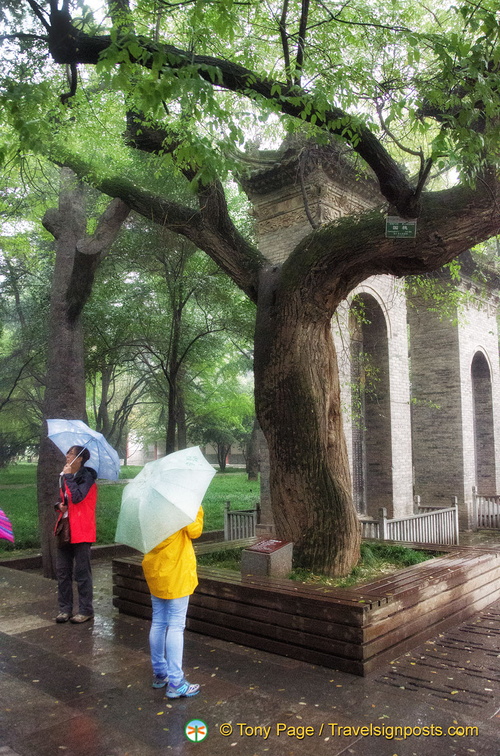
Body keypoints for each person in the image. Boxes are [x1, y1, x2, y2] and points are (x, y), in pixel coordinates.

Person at [142, 506, 204, 698]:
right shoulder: (183, 503)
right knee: (176, 625)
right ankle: (176, 681)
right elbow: (195, 531)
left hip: (155, 569)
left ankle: (160, 674)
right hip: (176, 571)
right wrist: (195, 509)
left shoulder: (147, 506)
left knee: (159, 621)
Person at [54, 445, 98, 624]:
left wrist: (69, 476)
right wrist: (58, 506)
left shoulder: (86, 478)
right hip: (65, 529)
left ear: (79, 458)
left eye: (70, 453)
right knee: (63, 572)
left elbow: (78, 497)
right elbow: (63, 500)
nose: (66, 455)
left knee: (82, 573)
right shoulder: (66, 477)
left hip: (82, 531)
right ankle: (65, 609)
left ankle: (86, 610)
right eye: (67, 452)